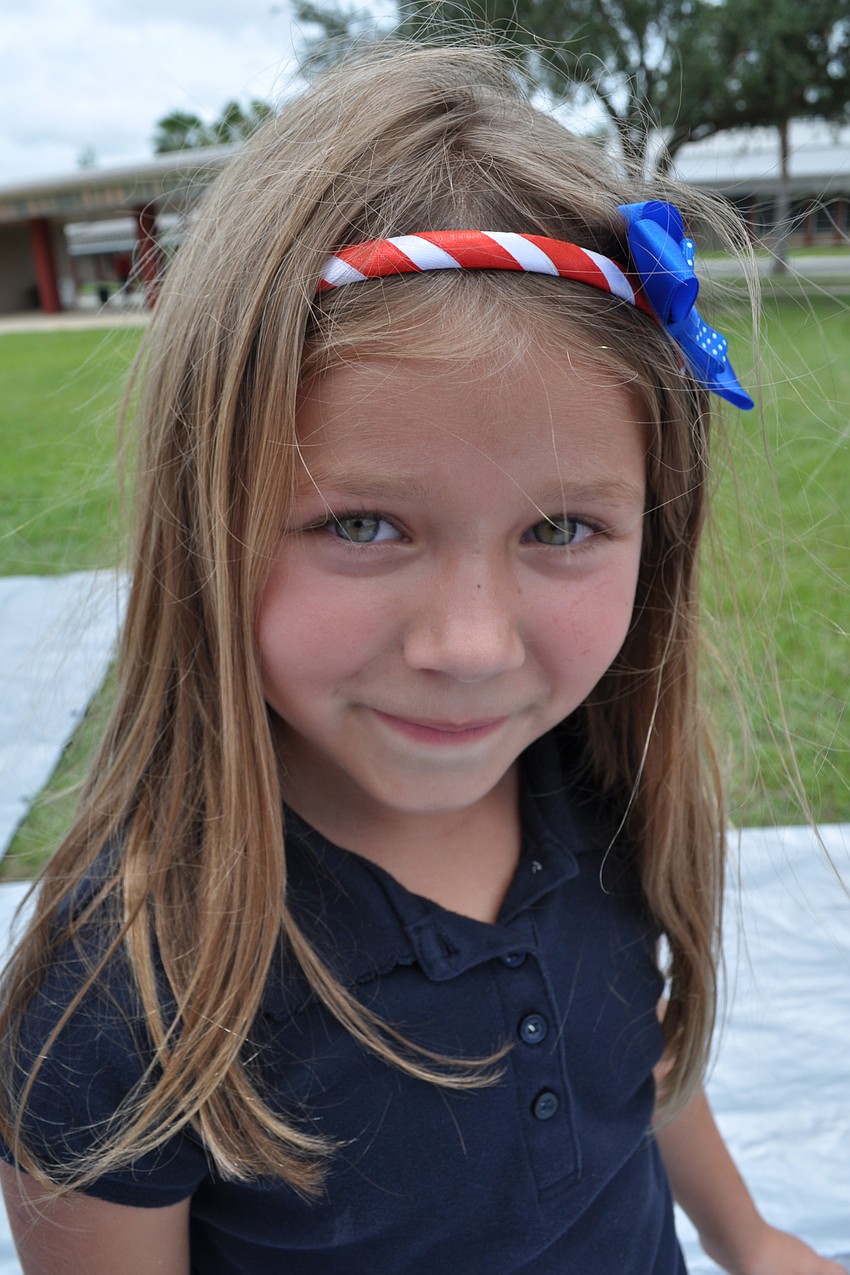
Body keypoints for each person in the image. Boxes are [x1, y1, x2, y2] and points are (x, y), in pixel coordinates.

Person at [0, 44, 841, 1275]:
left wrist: (748, 1237)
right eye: (361, 524)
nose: (467, 646)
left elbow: (635, 1072)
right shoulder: (116, 997)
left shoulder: (606, 798)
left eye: (560, 529)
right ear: (205, 520)